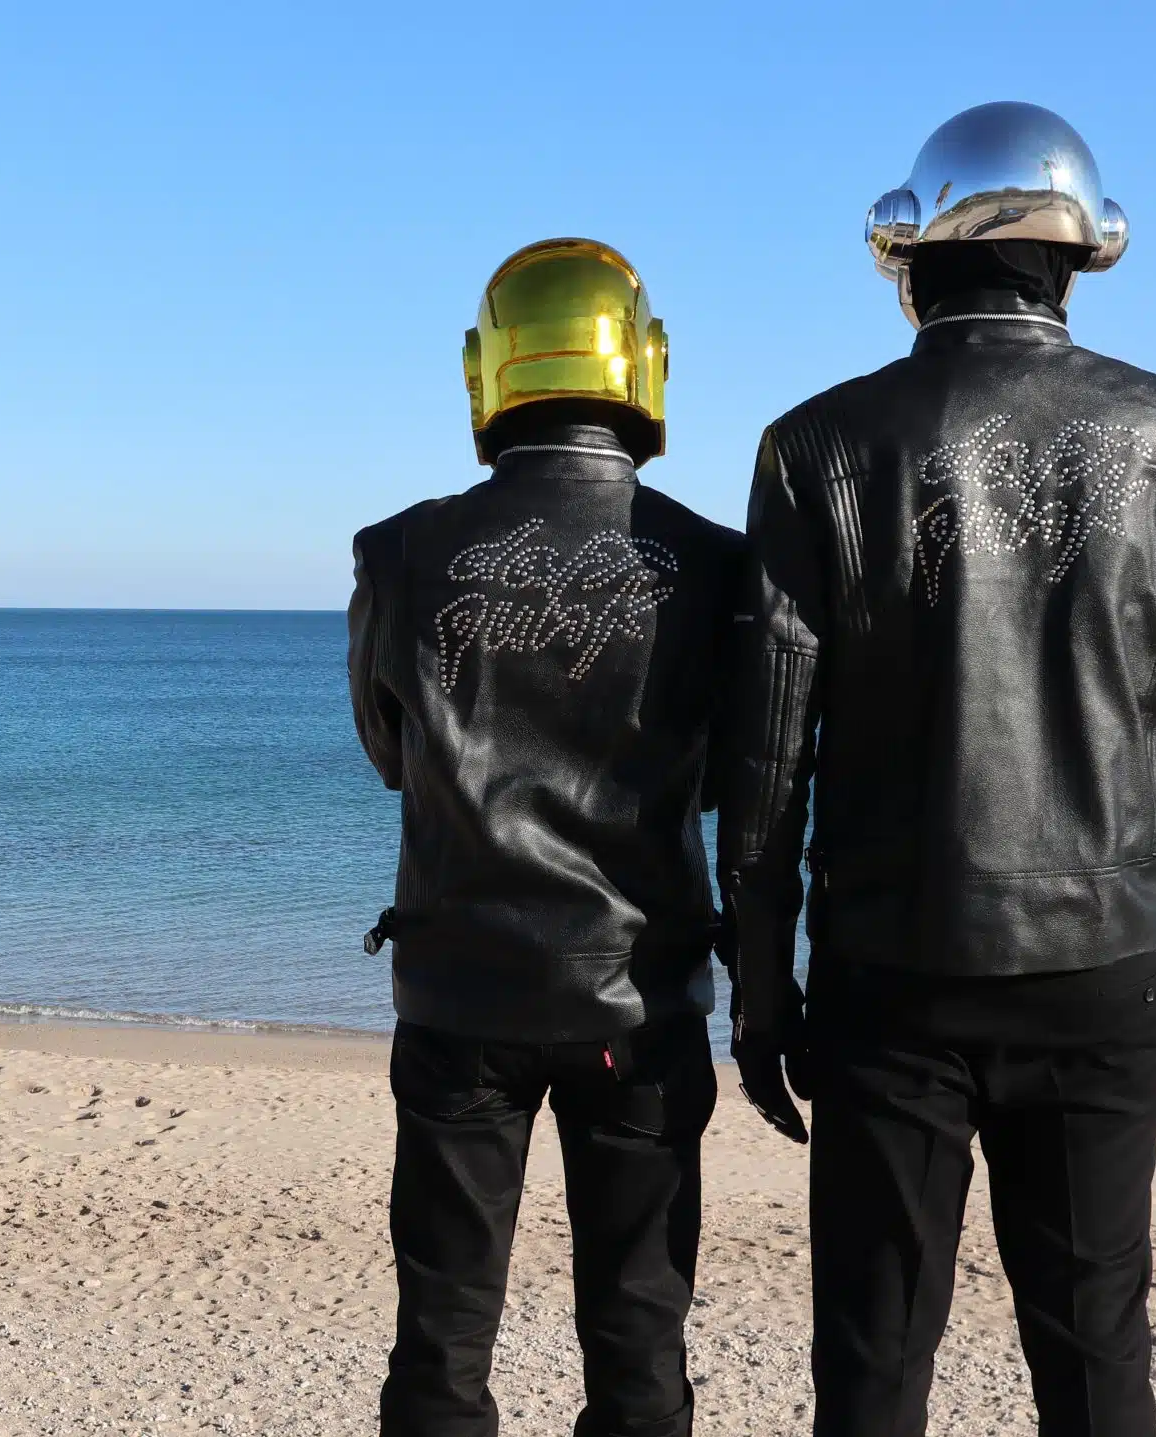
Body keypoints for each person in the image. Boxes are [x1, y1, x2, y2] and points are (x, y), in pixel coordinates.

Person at [718, 102, 1156, 1437]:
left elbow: (767, 757)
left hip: (890, 972)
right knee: (1095, 1359)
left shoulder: (818, 446)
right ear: (1077, 259)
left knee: (872, 1364)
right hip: (1106, 968)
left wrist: (760, 990)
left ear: (914, 257)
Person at [349, 238, 743, 1437]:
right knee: (638, 1341)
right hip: (638, 999)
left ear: (490, 372)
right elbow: (731, 773)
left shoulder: (399, 551)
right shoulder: (713, 562)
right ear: (642, 368)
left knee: (442, 1341)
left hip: (457, 990)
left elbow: (393, 755)